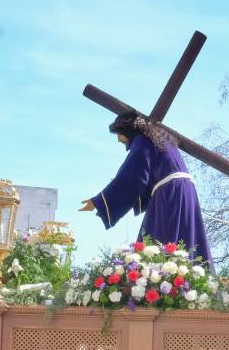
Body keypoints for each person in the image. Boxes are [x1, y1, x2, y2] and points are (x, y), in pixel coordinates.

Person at [78, 110, 212, 265]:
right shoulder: (161, 138)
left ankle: (155, 278)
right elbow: (146, 176)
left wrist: (99, 201)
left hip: (169, 192)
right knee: (187, 237)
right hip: (186, 190)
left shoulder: (142, 141)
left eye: (119, 134)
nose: (118, 139)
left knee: (155, 242)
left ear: (128, 130)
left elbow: (131, 178)